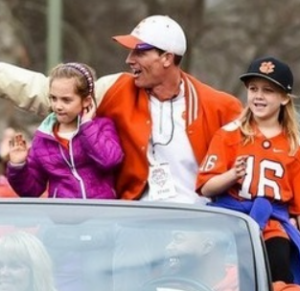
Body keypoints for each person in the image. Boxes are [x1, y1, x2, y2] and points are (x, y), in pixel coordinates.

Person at [0, 15, 242, 204]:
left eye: (140, 51)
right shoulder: (116, 88)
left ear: (167, 58)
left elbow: (252, 165)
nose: (129, 59)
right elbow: (54, 95)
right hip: (134, 227)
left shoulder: (221, 107)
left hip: (200, 227)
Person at [197, 56, 300, 284]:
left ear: (284, 98)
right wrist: (231, 175)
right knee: (221, 280)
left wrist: (293, 221)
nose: (259, 96)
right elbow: (206, 187)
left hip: (272, 225)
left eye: (268, 90)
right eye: (253, 89)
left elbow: (296, 209)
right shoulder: (229, 134)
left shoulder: (293, 146)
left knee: (279, 276)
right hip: (230, 221)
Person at [6, 62, 124, 199]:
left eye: (66, 100)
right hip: (61, 217)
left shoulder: (103, 126)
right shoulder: (42, 138)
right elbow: (31, 191)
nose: (57, 106)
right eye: (53, 98)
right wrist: (18, 165)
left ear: (86, 101)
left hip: (101, 215)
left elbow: (110, 161)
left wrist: (87, 126)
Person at [161, 229, 238, 291]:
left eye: (178, 239)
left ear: (207, 247)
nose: (168, 247)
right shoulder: (167, 286)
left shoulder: (245, 285)